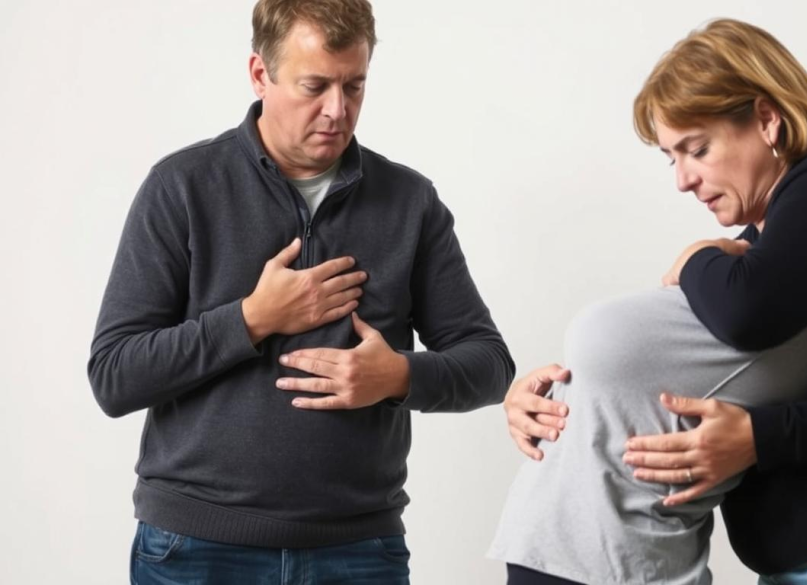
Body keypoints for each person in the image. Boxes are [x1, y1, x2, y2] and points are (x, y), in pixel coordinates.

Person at [505, 18, 807, 584]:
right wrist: (558, 396)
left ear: (766, 120)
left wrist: (695, 262)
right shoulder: (765, 244)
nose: (683, 180)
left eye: (698, 148)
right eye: (671, 158)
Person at [87, 1, 514, 582]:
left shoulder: (410, 202)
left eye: (354, 86)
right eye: (315, 86)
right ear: (261, 75)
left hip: (359, 551)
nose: (338, 111)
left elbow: (489, 363)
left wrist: (397, 378)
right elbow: (114, 375)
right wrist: (250, 319)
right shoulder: (183, 187)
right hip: (194, 548)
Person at [490, 287, 807, 584]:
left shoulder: (796, 319)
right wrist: (539, 397)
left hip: (615, 557)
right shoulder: (724, 274)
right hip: (561, 547)